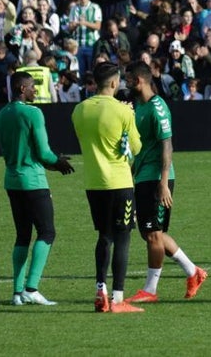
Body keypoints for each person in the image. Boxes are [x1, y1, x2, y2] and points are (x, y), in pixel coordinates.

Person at [123, 61, 207, 303]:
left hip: (157, 178)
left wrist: (162, 182)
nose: (125, 83)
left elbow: (166, 144)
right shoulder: (138, 106)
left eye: (128, 79)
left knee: (153, 235)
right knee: (151, 234)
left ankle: (150, 290)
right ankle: (194, 272)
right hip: (143, 177)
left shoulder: (157, 107)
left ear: (139, 80)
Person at [0, 71, 74, 306]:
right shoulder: (33, 113)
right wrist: (58, 161)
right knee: (47, 232)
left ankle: (17, 293)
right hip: (33, 181)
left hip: (12, 179)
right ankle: (32, 288)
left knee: (22, 235)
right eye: (32, 86)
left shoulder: (2, 114)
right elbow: (43, 152)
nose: (35, 91)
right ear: (22, 89)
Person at [71, 62, 144, 313]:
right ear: (114, 83)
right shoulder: (124, 112)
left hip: (93, 183)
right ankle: (117, 299)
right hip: (120, 182)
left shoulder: (79, 110)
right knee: (123, 237)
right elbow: (135, 148)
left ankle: (100, 290)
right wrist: (128, 116)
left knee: (104, 236)